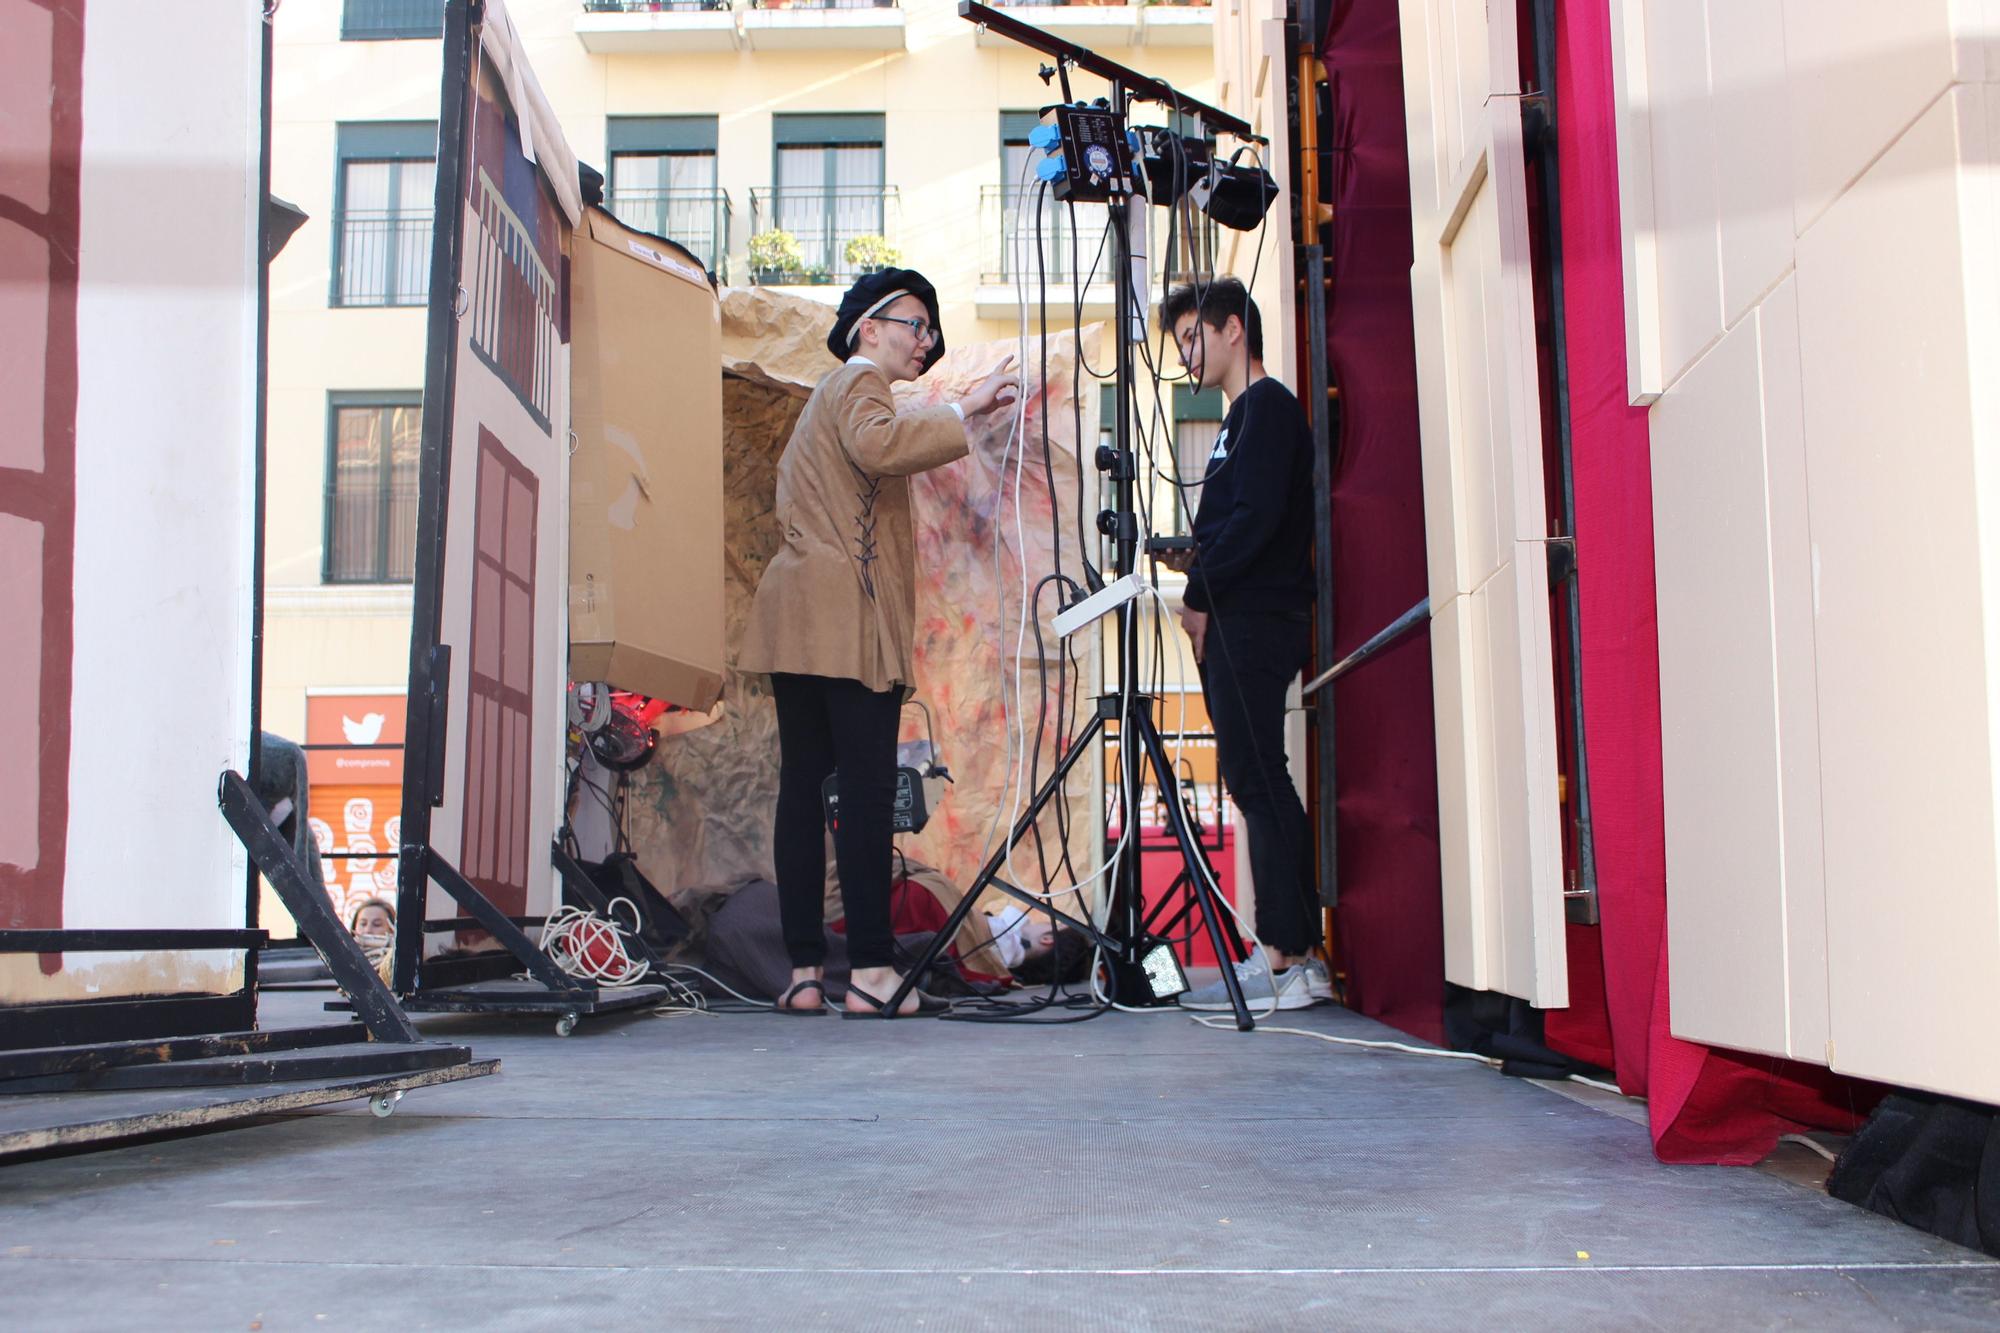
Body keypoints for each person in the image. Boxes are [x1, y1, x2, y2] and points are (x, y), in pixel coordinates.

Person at [737, 268, 1019, 1019]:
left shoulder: (827, 399)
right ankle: (869, 969)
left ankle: (801, 973)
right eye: (915, 323)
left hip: (797, 615)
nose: (924, 341)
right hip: (845, 619)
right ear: (868, 324)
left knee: (804, 788)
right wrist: (964, 410)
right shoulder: (861, 387)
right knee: (862, 796)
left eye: (930, 330)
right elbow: (877, 443)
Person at [1156, 278, 1331, 1011]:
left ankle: (1296, 956)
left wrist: (1198, 591)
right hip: (1240, 617)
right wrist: (1193, 561)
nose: (1187, 352)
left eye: (1195, 335)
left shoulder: (1268, 408)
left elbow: (1256, 520)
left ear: (1235, 331)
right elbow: (1233, 523)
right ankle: (1285, 950)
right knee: (1255, 777)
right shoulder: (1238, 419)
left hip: (1257, 618)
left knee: (1260, 778)